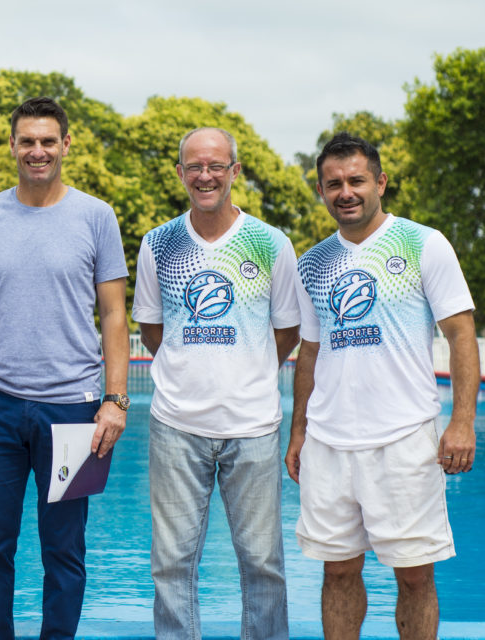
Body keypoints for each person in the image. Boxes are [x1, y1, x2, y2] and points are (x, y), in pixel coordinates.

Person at [0, 96, 129, 640]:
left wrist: (115, 399)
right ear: (12, 146)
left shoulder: (96, 216)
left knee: (65, 551)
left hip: (73, 408)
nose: (37, 151)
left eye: (48, 141)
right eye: (27, 141)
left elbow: (115, 312)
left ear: (66, 145)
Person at [286, 132, 480, 640]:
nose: (345, 192)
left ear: (380, 183)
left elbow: (460, 333)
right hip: (329, 442)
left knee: (415, 574)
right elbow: (310, 350)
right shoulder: (312, 264)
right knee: (338, 570)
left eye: (356, 180)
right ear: (322, 191)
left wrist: (461, 422)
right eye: (333, 184)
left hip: (404, 439)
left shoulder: (423, 243)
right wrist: (299, 431)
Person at [131, 127, 298, 640]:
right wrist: (191, 369)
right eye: (194, 166)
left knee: (263, 563)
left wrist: (242, 372)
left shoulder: (270, 243)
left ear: (234, 172)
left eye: (216, 166)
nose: (205, 176)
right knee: (172, 563)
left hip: (253, 426)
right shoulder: (158, 243)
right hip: (176, 425)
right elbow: (152, 330)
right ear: (180, 173)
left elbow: (287, 331)